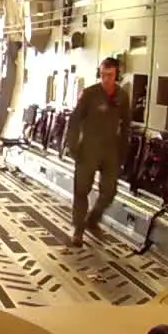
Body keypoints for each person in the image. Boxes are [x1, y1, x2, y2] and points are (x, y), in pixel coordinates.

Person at [65, 57, 132, 248]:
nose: (105, 79)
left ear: (116, 75)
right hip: (89, 148)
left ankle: (93, 220)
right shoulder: (90, 94)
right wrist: (73, 146)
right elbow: (75, 120)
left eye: (109, 75)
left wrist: (123, 151)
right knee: (81, 190)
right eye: (103, 75)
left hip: (111, 149)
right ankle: (78, 229)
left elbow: (126, 125)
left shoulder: (122, 97)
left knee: (109, 191)